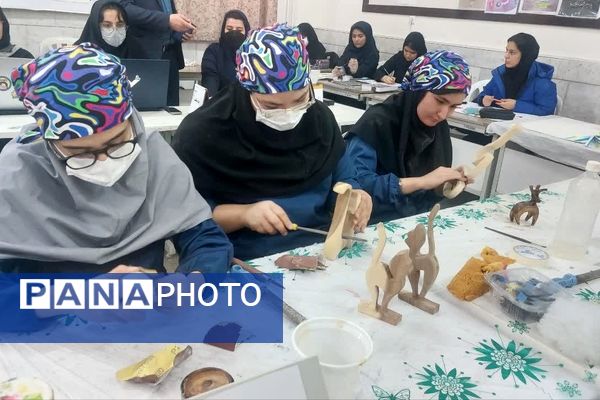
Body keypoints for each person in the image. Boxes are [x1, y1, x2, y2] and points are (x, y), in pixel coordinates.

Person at [0, 43, 233, 273]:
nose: (103, 160)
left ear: (131, 120)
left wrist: (193, 280)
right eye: (81, 152)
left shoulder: (151, 152)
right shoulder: (17, 178)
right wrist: (82, 298)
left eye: (117, 142)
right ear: (49, 142)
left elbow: (206, 239)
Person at [173, 24, 372, 260]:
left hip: (318, 247)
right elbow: (184, 218)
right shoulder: (204, 132)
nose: (288, 113)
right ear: (247, 89)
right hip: (242, 257)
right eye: (271, 106)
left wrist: (356, 195)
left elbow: (344, 176)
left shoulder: (319, 120)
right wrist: (244, 214)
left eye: (299, 100)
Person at [346, 50, 472, 223]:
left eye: (453, 107)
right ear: (418, 90)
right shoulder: (377, 123)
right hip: (368, 223)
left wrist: (447, 182)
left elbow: (428, 190)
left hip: (415, 220)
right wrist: (421, 182)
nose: (443, 114)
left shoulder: (437, 127)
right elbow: (353, 184)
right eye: (440, 101)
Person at [120, 0, 197, 106]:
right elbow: (123, 8)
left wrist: (180, 32)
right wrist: (167, 20)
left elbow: (167, 18)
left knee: (172, 111)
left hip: (170, 56)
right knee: (146, 110)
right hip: (144, 57)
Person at [476, 33, 556, 116]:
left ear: (526, 56)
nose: (506, 56)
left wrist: (516, 105)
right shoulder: (501, 74)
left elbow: (547, 112)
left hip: (524, 127)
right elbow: (483, 95)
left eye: (512, 52)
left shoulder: (542, 81)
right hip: (496, 125)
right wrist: (483, 100)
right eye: (506, 50)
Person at [201, 10, 250, 98]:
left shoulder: (252, 54)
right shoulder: (213, 51)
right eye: (229, 29)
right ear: (223, 30)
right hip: (220, 105)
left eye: (239, 30)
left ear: (246, 32)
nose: (234, 33)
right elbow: (210, 84)